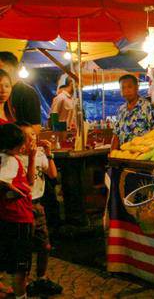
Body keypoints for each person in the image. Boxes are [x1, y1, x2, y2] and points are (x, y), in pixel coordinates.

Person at [16, 122, 61, 296]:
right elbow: (28, 183)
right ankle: (24, 283)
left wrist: (49, 154)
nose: (31, 139)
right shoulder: (15, 158)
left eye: (33, 135)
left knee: (45, 245)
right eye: (26, 136)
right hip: (22, 205)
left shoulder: (40, 154)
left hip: (37, 205)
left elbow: (52, 174)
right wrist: (33, 156)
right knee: (25, 247)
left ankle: (41, 278)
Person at [0, 124, 34, 299]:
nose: (23, 147)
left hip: (6, 218)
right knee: (20, 267)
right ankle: (21, 296)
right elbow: (4, 180)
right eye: (20, 144)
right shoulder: (11, 160)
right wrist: (15, 189)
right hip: (19, 219)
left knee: (7, 261)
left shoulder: (3, 157)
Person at [111, 75, 154, 150]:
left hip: (142, 157)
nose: (127, 90)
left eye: (130, 87)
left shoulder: (148, 107)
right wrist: (112, 155)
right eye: (123, 88)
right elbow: (116, 136)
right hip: (123, 157)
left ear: (137, 87)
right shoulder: (121, 110)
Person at [0, 52, 41, 133]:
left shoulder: (27, 93)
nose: (3, 90)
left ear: (11, 68)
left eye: (1, 67)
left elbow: (35, 127)